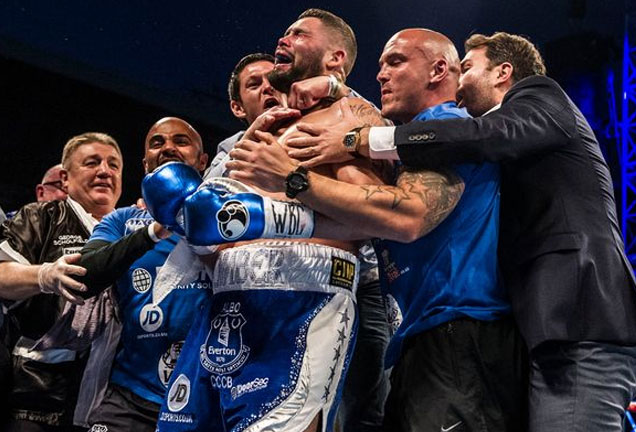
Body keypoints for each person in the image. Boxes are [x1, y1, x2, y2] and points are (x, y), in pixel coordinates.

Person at [276, 31, 636, 432]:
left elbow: (473, 137)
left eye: (468, 68)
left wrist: (359, 139)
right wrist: (338, 86)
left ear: (503, 73)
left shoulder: (538, 98)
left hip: (582, 319)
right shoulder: (473, 137)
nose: (457, 80)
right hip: (537, 329)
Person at [227, 28, 526, 432]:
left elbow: (409, 216)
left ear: (439, 70)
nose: (381, 74)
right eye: (381, 65)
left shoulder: (445, 126)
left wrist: (293, 178)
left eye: (396, 62)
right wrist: (335, 91)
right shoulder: (402, 140)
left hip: (462, 333)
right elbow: (366, 134)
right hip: (420, 336)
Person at [155, 9, 387, 432]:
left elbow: (375, 216)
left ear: (335, 59)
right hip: (223, 302)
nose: (285, 38)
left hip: (300, 299)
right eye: (284, 31)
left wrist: (268, 216)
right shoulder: (261, 132)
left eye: (299, 34)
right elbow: (214, 232)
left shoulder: (348, 117)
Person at [208, 52, 390, 432]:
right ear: (237, 106)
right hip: (239, 300)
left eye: (273, 82)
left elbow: (378, 214)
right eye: (254, 85)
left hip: (328, 289)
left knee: (352, 415)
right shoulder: (231, 153)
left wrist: (283, 201)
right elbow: (203, 234)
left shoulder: (328, 131)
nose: (267, 90)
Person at [60, 117, 211, 432]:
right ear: (145, 164)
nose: (168, 147)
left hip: (205, 394)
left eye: (181, 141)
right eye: (157, 143)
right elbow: (83, 277)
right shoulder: (122, 221)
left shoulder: (229, 216)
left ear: (202, 160)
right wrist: (153, 232)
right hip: (130, 395)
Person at [0, 132, 122, 431]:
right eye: (92, 163)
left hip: (108, 403)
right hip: (36, 398)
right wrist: (44, 275)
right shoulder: (41, 216)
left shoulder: (132, 230)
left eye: (114, 165)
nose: (105, 171)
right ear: (65, 179)